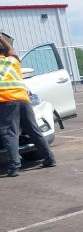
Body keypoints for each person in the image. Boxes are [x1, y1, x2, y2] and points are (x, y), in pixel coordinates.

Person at [0, 31, 56, 177]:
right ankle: (49, 159)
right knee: (34, 130)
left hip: (6, 102)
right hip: (24, 100)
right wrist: (1, 38)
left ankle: (14, 167)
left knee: (10, 134)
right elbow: (11, 50)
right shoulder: (13, 61)